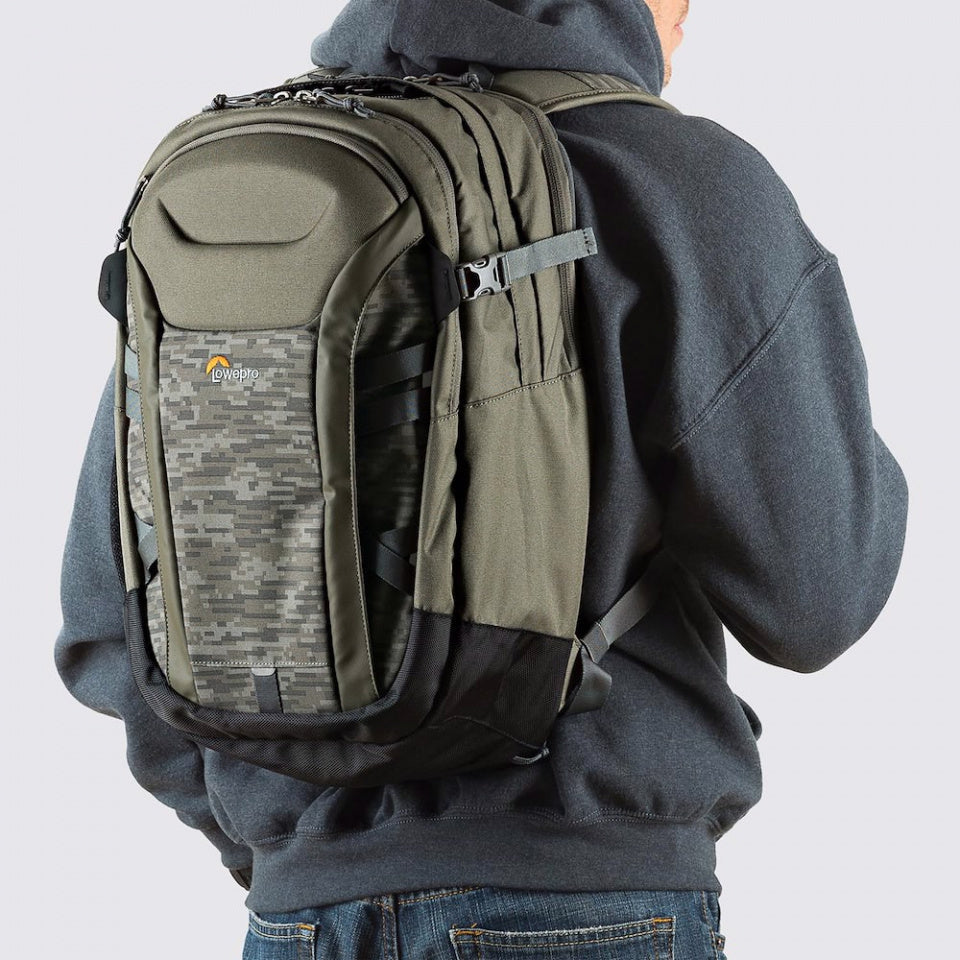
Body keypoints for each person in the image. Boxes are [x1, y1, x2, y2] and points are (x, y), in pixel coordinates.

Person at [55, 1, 909, 957]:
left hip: (300, 917)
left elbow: (106, 623)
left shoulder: (255, 184)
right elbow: (820, 595)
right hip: (585, 899)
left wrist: (291, 842)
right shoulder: (684, 178)